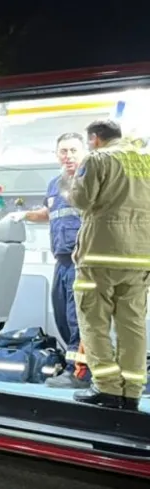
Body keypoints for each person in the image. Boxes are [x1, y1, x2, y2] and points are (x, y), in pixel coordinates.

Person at [68, 119, 150, 410]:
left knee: (94, 322)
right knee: (133, 324)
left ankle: (107, 388)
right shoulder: (146, 161)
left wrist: (70, 184)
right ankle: (132, 391)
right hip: (141, 256)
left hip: (100, 255)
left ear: (95, 139)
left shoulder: (98, 158)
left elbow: (81, 200)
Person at [12, 132, 90, 389]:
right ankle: (74, 365)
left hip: (84, 261)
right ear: (57, 154)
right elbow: (49, 212)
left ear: (84, 151)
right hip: (62, 261)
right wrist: (25, 215)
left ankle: (78, 373)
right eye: (63, 151)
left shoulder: (91, 180)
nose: (68, 156)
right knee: (61, 315)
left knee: (77, 318)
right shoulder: (55, 184)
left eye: (73, 150)